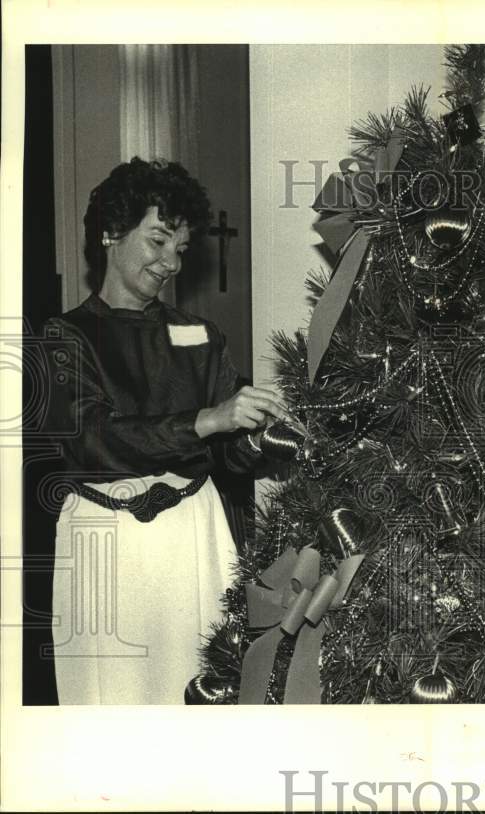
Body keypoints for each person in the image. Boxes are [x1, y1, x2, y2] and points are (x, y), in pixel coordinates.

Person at [43, 157, 289, 704]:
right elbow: (93, 441)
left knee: (202, 699)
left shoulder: (201, 335)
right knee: (111, 706)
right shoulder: (65, 336)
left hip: (194, 537)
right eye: (157, 241)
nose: (170, 262)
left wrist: (257, 436)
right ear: (111, 233)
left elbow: (226, 459)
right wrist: (209, 419)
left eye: (179, 248)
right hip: (106, 544)